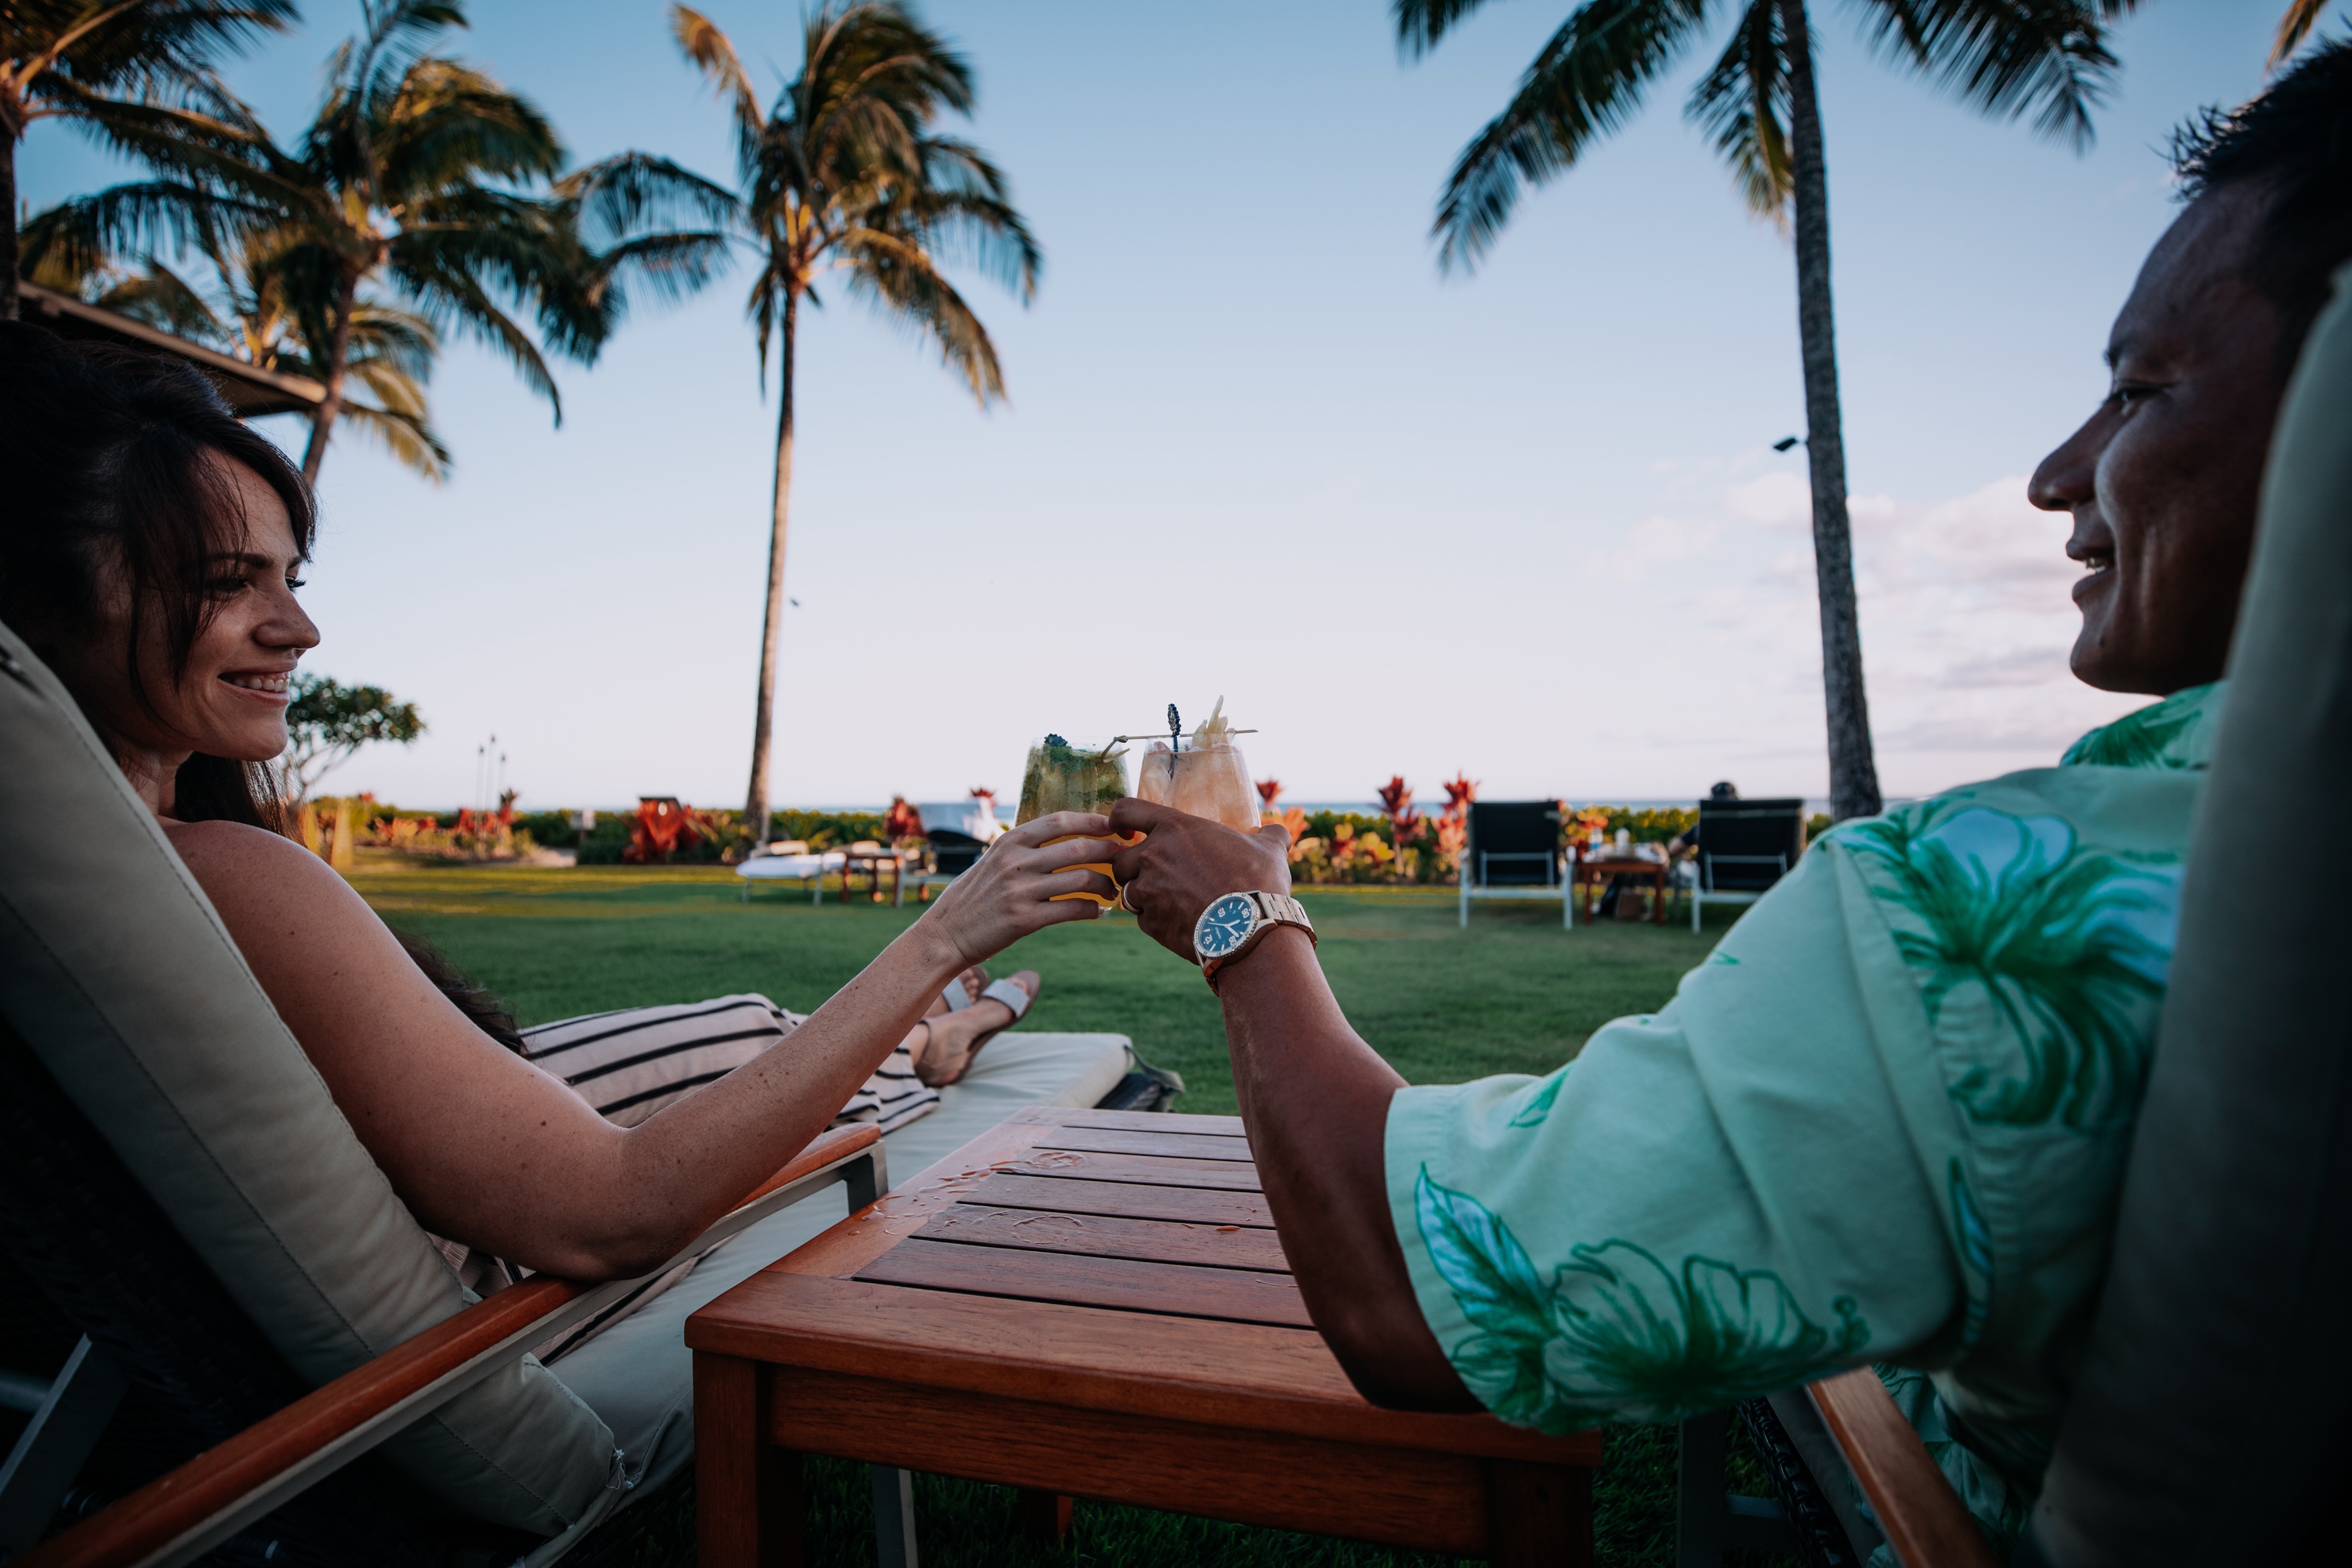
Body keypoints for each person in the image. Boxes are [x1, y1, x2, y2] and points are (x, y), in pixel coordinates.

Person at [1105, 45, 2352, 1564]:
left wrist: (1249, 918)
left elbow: (1403, 1289)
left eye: (2144, 389)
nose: (2055, 471)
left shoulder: (1977, 927)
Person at [0, 323, 1126, 1291]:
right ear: (46, 595)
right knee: (767, 1035)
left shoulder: (77, 887)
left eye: (292, 579)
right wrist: (945, 931)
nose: (297, 631)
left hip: (463, 1153)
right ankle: (966, 1015)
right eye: (222, 583)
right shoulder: (222, 874)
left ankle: (965, 1014)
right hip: (505, 1275)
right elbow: (611, 1211)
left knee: (750, 1027)